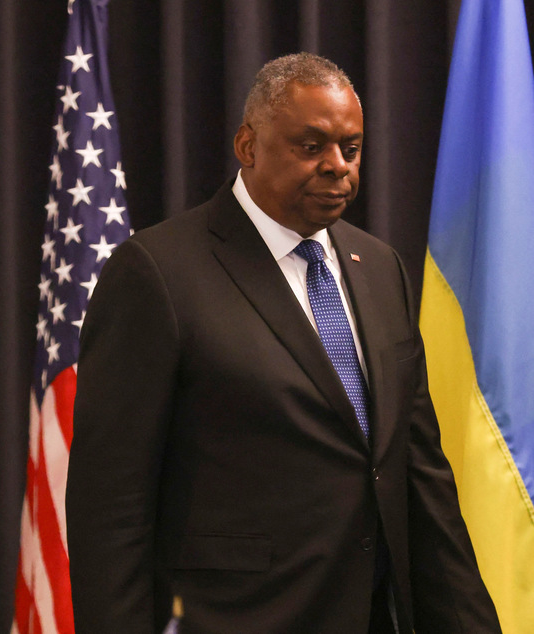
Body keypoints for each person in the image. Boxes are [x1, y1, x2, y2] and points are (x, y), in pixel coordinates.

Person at [65, 53, 501, 633]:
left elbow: (419, 474)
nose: (337, 167)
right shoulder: (157, 273)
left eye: (351, 148)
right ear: (248, 146)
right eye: (311, 145)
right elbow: (110, 508)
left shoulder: (378, 267)